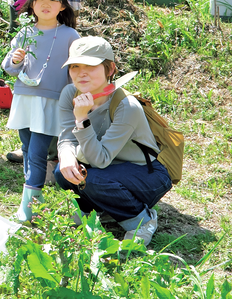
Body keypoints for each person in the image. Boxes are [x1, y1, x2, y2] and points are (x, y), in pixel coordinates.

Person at [55, 36, 171, 245]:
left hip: (146, 174)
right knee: (63, 172)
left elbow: (100, 159)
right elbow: (66, 136)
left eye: (90, 65)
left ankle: (142, 222)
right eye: (75, 66)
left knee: (92, 178)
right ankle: (95, 212)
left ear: (110, 69)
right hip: (104, 168)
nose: (81, 72)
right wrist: (65, 155)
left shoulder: (127, 105)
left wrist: (82, 119)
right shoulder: (69, 94)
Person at [0, 0, 77, 221]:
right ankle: (33, 197)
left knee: (38, 150)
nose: (45, 4)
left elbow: (76, 72)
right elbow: (10, 68)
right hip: (24, 97)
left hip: (51, 101)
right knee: (26, 145)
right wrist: (14, 60)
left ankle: (29, 203)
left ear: (62, 5)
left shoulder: (70, 36)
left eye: (52, 0)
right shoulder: (25, 33)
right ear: (32, 4)